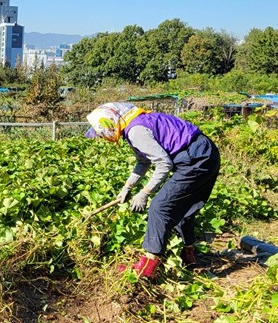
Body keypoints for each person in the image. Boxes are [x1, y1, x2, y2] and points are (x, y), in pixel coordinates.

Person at [85, 102, 221, 278]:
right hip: (206, 154)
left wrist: (144, 193)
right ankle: (189, 255)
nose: (103, 137)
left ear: (109, 123)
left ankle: (147, 268)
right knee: (183, 208)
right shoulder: (137, 123)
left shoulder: (136, 131)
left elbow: (164, 163)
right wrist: (128, 187)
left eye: (101, 133)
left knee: (160, 207)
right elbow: (144, 161)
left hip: (196, 159)